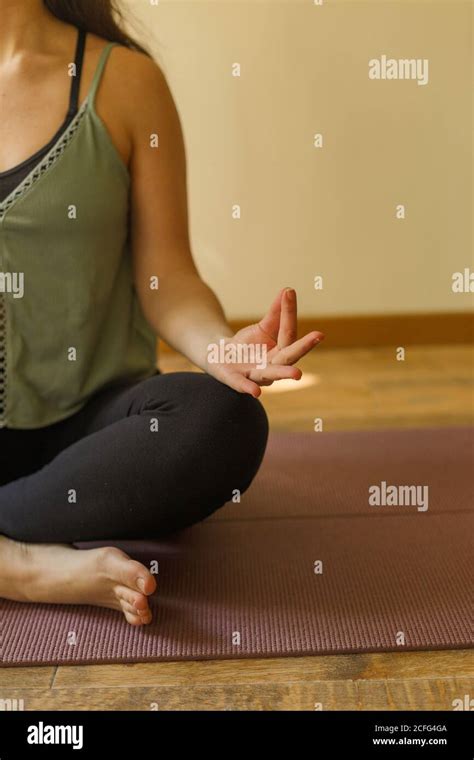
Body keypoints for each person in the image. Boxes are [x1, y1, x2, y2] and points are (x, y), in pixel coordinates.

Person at [0, 0, 323, 625]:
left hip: (86, 425)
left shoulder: (124, 82)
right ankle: (23, 565)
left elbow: (167, 275)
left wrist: (220, 347)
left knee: (222, 421)